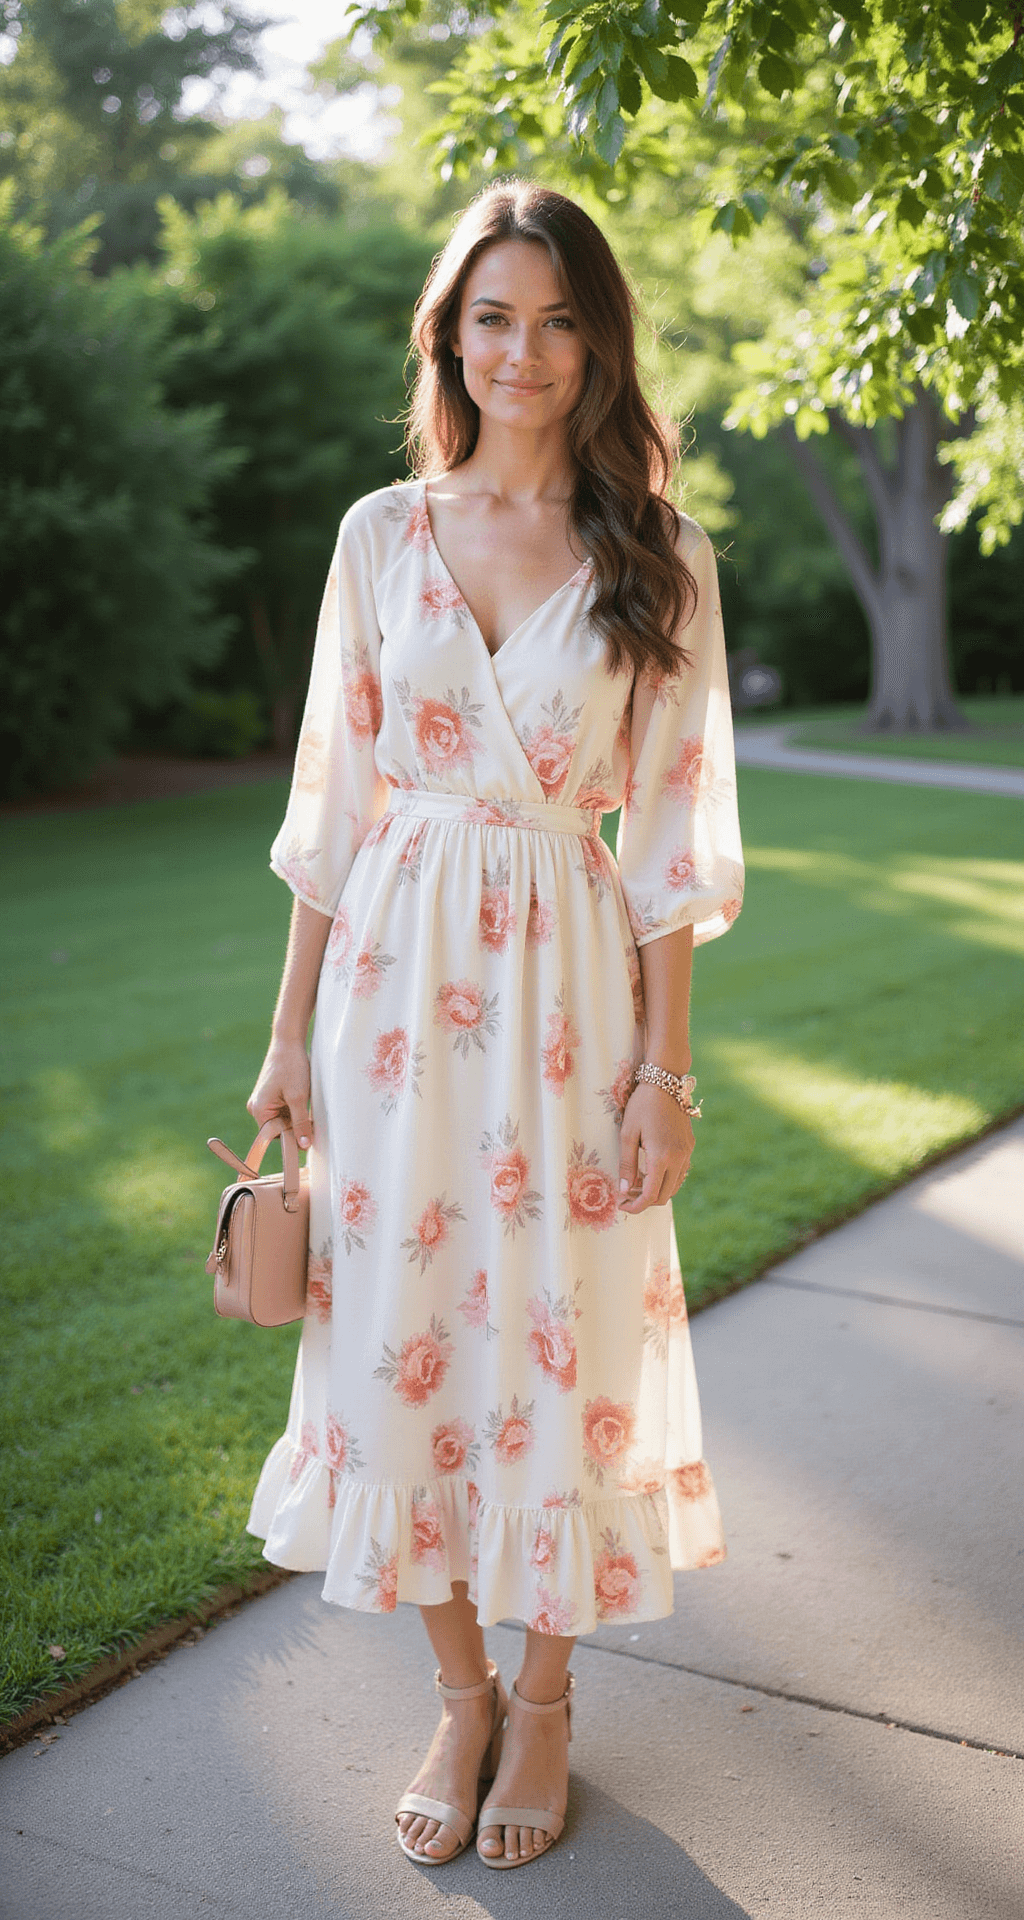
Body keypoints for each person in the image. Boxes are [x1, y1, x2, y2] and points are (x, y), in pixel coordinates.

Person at [245, 179, 744, 1873]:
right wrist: (288, 1031)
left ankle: (544, 1702)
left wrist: (665, 1072)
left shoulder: (659, 552)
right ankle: (456, 1693)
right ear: (449, 336)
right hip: (390, 1000)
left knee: (566, 1346)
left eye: (555, 319)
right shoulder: (382, 534)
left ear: (598, 340)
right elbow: (333, 805)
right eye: (491, 318)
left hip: (574, 1002)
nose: (521, 351)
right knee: (404, 1338)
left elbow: (672, 839)